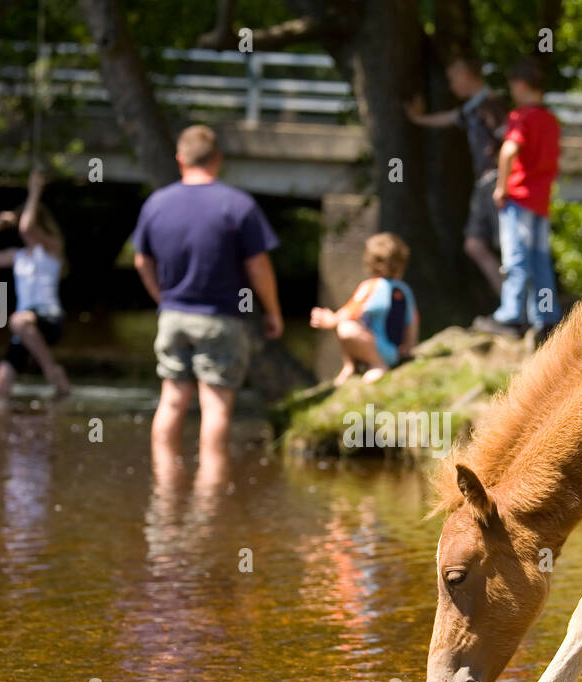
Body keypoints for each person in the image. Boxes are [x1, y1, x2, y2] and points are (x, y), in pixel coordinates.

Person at [132, 124, 283, 460]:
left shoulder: (157, 203)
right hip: (220, 319)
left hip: (172, 316)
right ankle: (210, 499)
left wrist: (163, 298)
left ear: (179, 159)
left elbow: (142, 260)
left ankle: (166, 489)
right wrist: (272, 311)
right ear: (218, 158)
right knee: (215, 406)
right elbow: (258, 266)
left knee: (171, 400)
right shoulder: (238, 205)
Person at [472, 57, 561, 342]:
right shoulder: (550, 120)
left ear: (521, 86)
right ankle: (546, 317)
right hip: (540, 201)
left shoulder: (521, 117)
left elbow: (509, 150)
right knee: (540, 260)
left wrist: (501, 188)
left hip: (518, 199)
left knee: (515, 259)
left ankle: (511, 316)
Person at [404, 56, 510, 293]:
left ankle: (518, 311)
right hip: (483, 184)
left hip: (496, 181)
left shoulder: (491, 105)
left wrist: (504, 182)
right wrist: (418, 119)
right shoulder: (472, 108)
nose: (451, 85)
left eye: (452, 78)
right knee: (474, 244)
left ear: (464, 74)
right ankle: (508, 301)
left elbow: (509, 143)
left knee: (507, 246)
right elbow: (450, 117)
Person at [0, 169, 70, 398]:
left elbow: (27, 226)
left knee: (17, 321)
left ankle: (50, 369)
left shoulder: (52, 248)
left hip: (48, 317)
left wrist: (34, 192)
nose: (24, 233)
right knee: (0, 386)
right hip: (26, 326)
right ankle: (63, 390)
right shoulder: (18, 256)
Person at [310, 232, 419, 385]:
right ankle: (353, 366)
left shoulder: (370, 287)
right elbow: (412, 321)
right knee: (355, 324)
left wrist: (329, 319)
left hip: (379, 350)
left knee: (345, 327)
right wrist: (408, 347)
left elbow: (349, 312)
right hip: (394, 352)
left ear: (370, 262)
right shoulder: (405, 290)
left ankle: (376, 364)